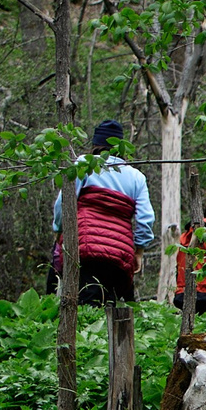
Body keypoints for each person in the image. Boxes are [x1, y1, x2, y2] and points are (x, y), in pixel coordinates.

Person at [50, 118, 156, 304]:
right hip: (119, 255)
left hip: (84, 248)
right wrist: (138, 251)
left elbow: (63, 203)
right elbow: (145, 218)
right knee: (113, 306)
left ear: (95, 144)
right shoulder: (136, 177)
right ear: (121, 147)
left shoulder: (84, 164)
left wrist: (59, 230)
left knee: (84, 307)